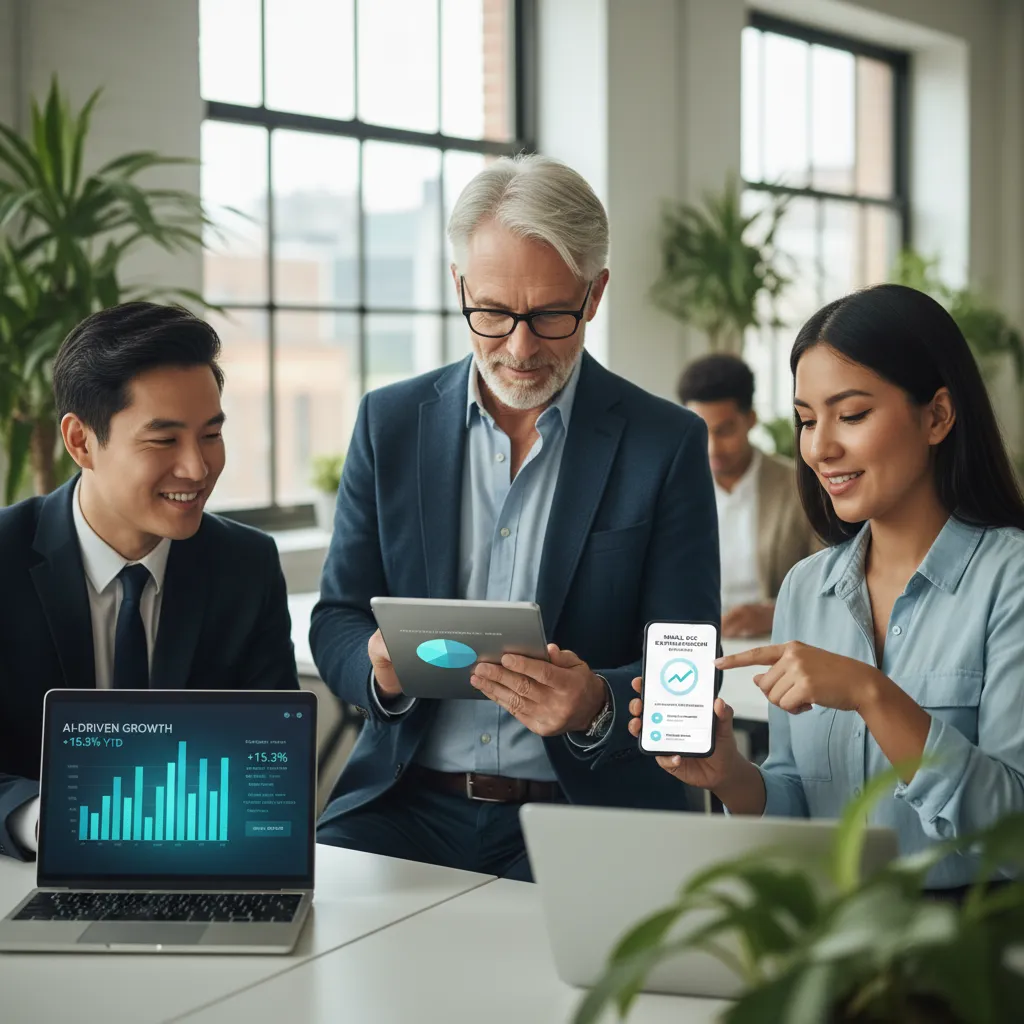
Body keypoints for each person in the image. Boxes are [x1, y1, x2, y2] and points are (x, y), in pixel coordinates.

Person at [312, 154, 720, 879]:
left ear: (594, 295)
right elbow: (336, 618)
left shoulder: (666, 443)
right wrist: (379, 668)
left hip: (581, 814)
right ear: (459, 288)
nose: (521, 348)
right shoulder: (390, 422)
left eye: (551, 315)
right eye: (494, 313)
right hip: (402, 805)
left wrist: (596, 702)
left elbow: (687, 660)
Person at [630, 283, 1024, 892]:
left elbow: (1013, 835)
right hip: (829, 935)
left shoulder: (1010, 580)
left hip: (967, 954)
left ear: (938, 415)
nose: (820, 447)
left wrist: (872, 693)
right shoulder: (806, 589)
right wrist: (731, 774)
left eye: (853, 414)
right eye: (808, 420)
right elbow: (800, 806)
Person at [0, 302, 298, 861]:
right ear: (81, 442)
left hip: (199, 861)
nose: (197, 468)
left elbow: (270, 759)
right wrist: (49, 820)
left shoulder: (245, 564)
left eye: (210, 434)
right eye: (164, 440)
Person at [678, 354, 818, 638]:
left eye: (724, 431)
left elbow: (833, 580)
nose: (712, 448)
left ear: (750, 420)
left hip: (777, 641)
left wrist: (777, 612)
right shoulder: (673, 489)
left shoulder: (800, 486)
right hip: (690, 646)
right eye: (700, 432)